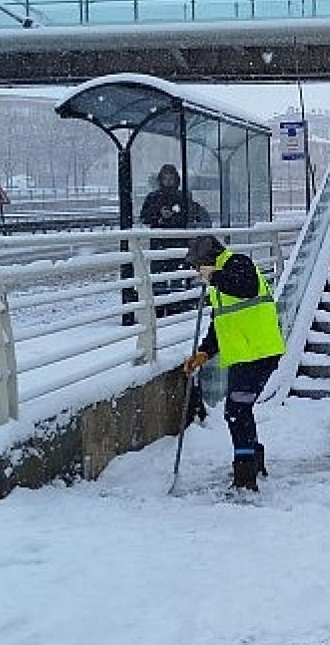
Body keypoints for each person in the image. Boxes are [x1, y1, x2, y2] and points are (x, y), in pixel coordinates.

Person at [182, 235, 286, 492]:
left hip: (260, 353)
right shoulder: (221, 283)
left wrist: (214, 277)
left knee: (236, 412)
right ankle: (254, 459)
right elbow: (222, 323)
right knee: (241, 410)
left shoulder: (238, 264)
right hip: (243, 356)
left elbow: (246, 287)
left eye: (198, 265)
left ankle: (245, 475)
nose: (197, 271)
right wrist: (205, 352)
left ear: (210, 259)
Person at [139, 164, 212, 317]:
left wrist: (176, 217)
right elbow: (144, 217)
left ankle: (176, 305)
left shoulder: (183, 197)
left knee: (177, 274)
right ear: (160, 180)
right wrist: (159, 216)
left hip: (178, 242)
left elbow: (195, 214)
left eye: (171, 178)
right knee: (159, 276)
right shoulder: (154, 197)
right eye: (165, 178)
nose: (168, 182)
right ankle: (160, 306)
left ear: (176, 180)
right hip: (160, 243)